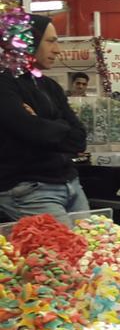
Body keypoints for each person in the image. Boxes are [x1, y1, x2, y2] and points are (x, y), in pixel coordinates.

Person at [0, 14, 89, 220]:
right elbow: (30, 131)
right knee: (68, 251)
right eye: (50, 41)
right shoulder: (5, 85)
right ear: (28, 43)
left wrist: (44, 124)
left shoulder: (50, 86)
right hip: (29, 189)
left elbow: (79, 138)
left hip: (71, 184)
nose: (57, 49)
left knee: (96, 248)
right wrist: (57, 126)